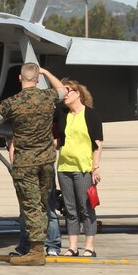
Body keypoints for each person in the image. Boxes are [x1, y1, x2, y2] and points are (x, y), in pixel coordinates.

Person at [0, 63, 66, 265]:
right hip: (46, 161)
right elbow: (63, 91)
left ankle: (36, 252)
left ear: (20, 79)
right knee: (41, 204)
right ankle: (45, 245)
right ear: (37, 79)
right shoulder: (48, 97)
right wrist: (47, 72)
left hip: (25, 164)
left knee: (31, 207)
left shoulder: (12, 103)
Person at [54, 79, 103, 257]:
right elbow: (57, 140)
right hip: (64, 167)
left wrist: (95, 167)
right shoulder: (61, 114)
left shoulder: (90, 115)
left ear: (78, 94)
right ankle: (72, 246)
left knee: (86, 207)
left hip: (83, 168)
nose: (64, 95)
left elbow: (97, 144)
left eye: (67, 91)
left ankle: (89, 246)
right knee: (70, 209)